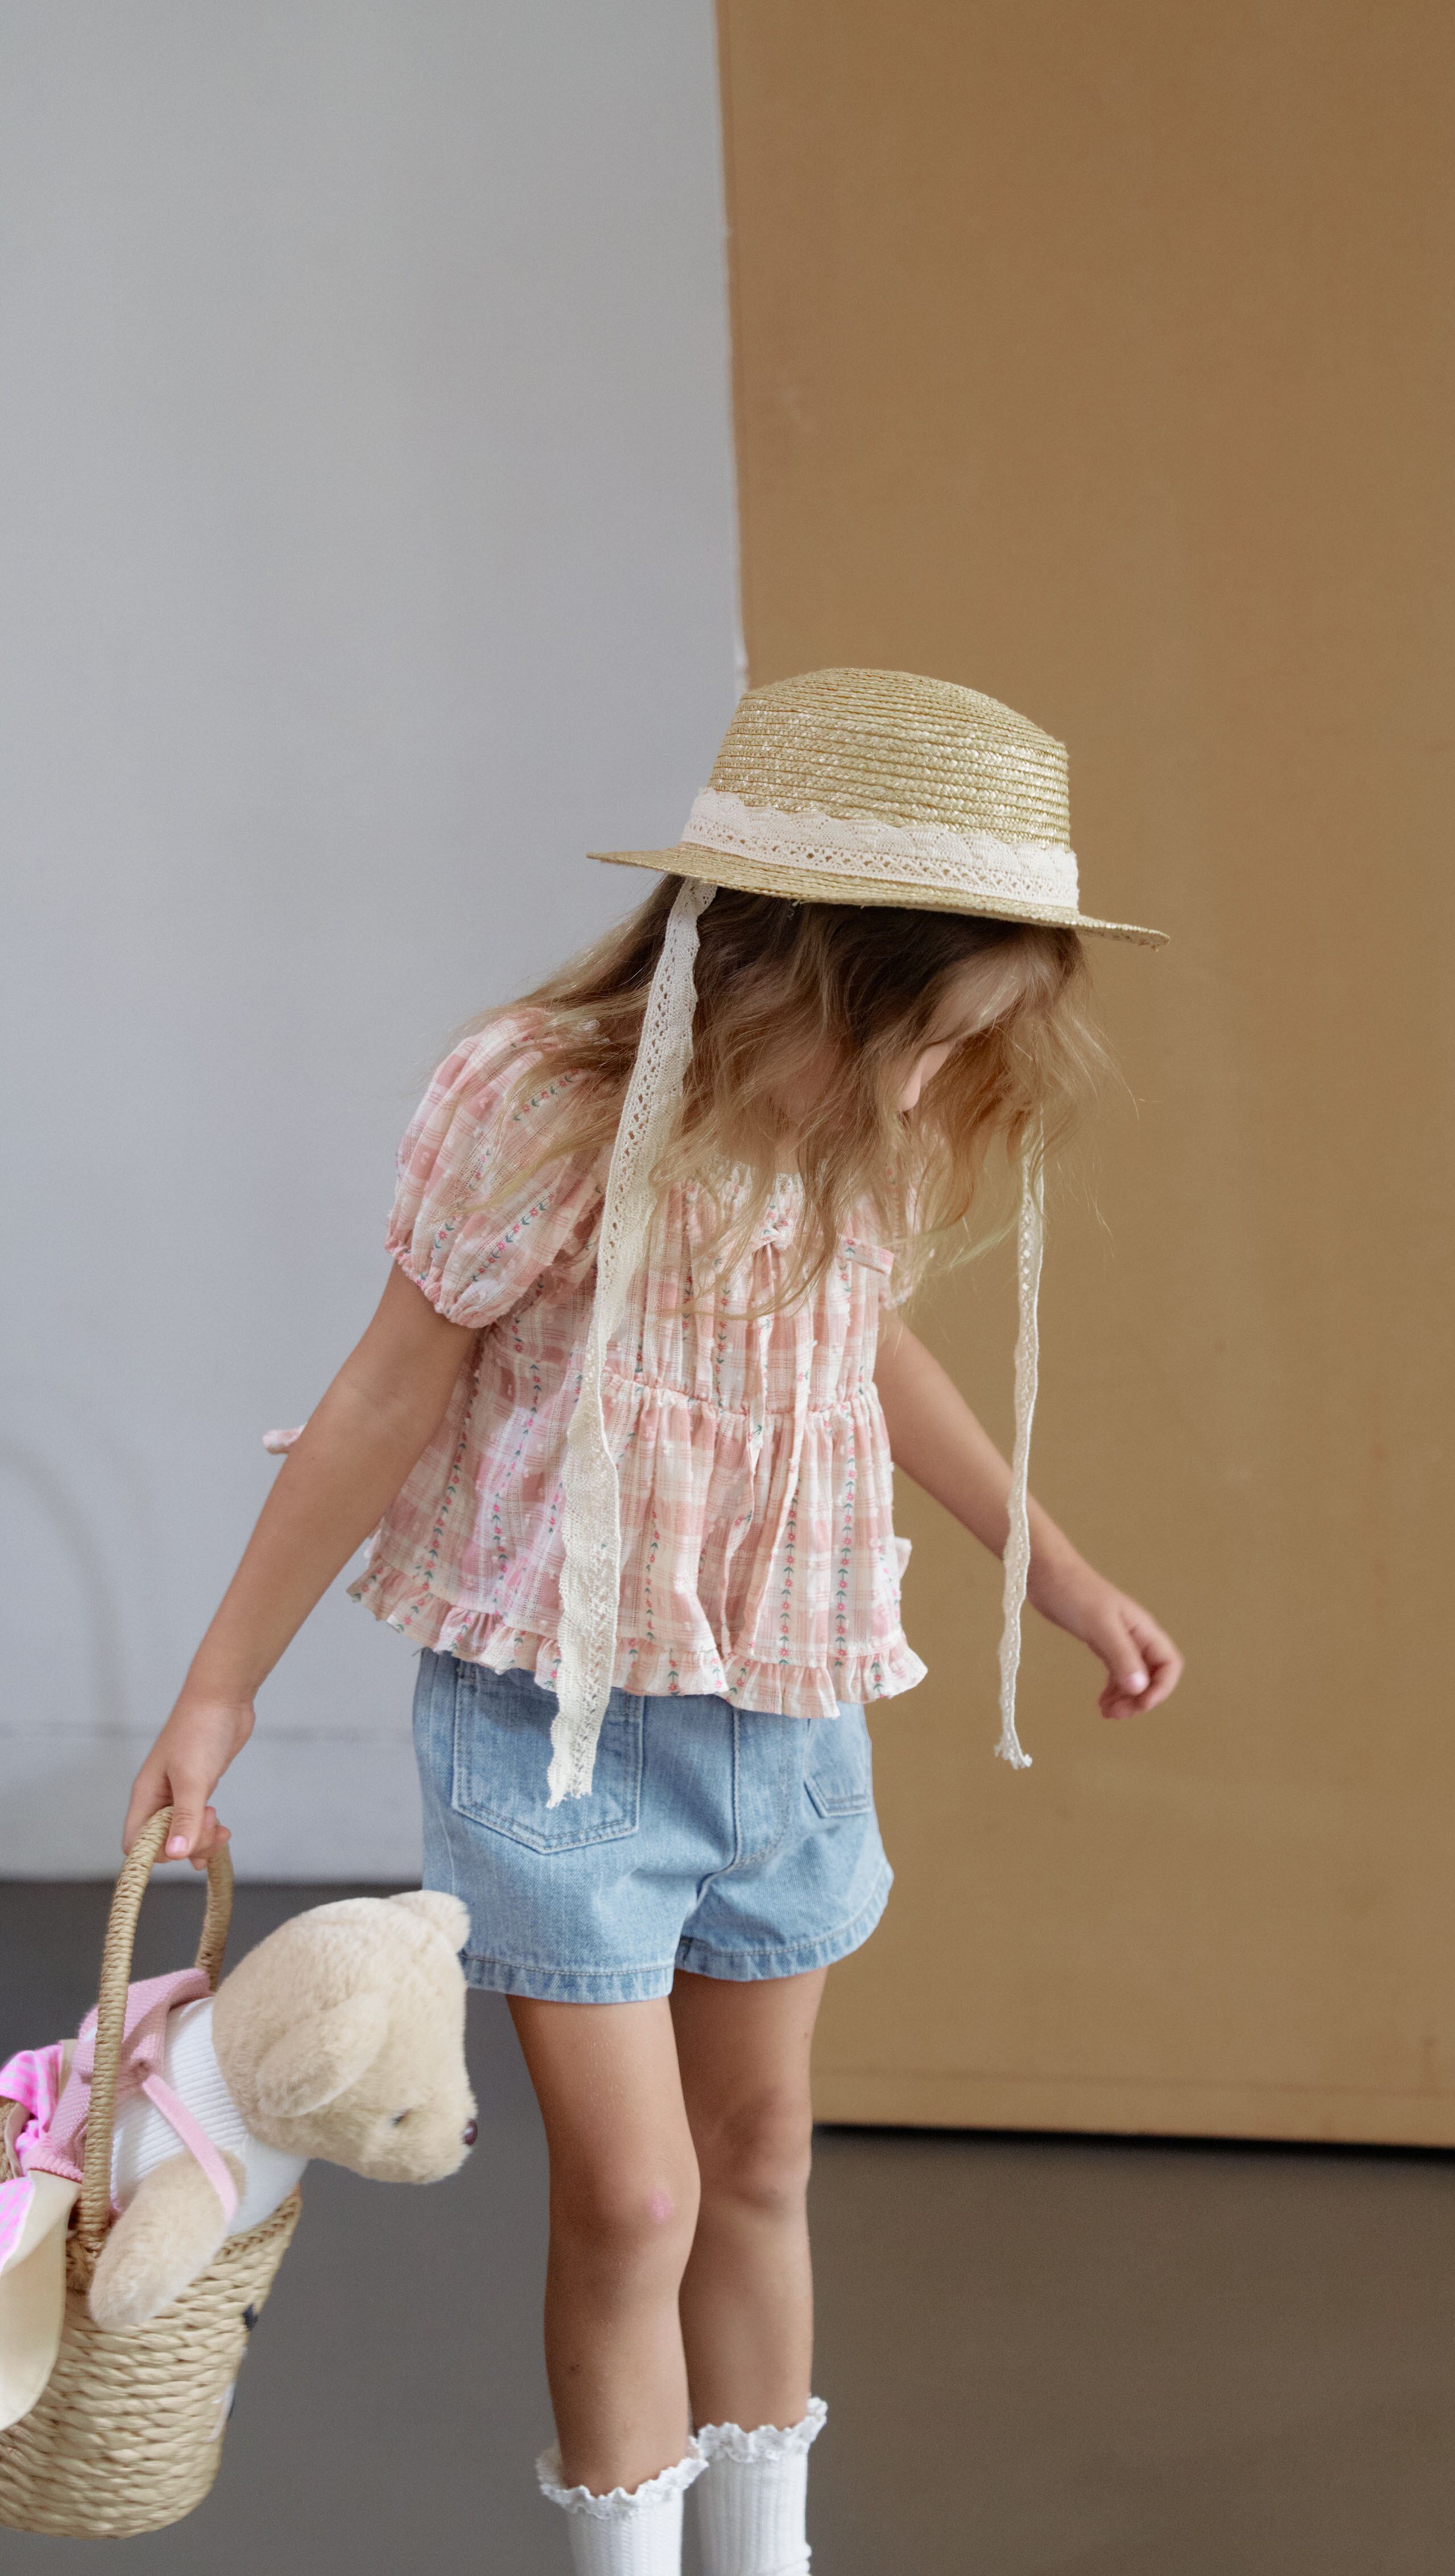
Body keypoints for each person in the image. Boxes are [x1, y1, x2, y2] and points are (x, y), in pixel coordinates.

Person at [122, 668, 1184, 2574]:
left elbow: (859, 1343)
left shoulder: (866, 1123)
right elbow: (384, 1397)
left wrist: (1052, 1564)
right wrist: (221, 1690)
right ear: (792, 969)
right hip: (556, 1731)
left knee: (762, 2159)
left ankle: (764, 2555)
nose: (927, 1091)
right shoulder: (537, 1103)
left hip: (784, 1719)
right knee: (634, 2203)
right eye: (917, 1040)